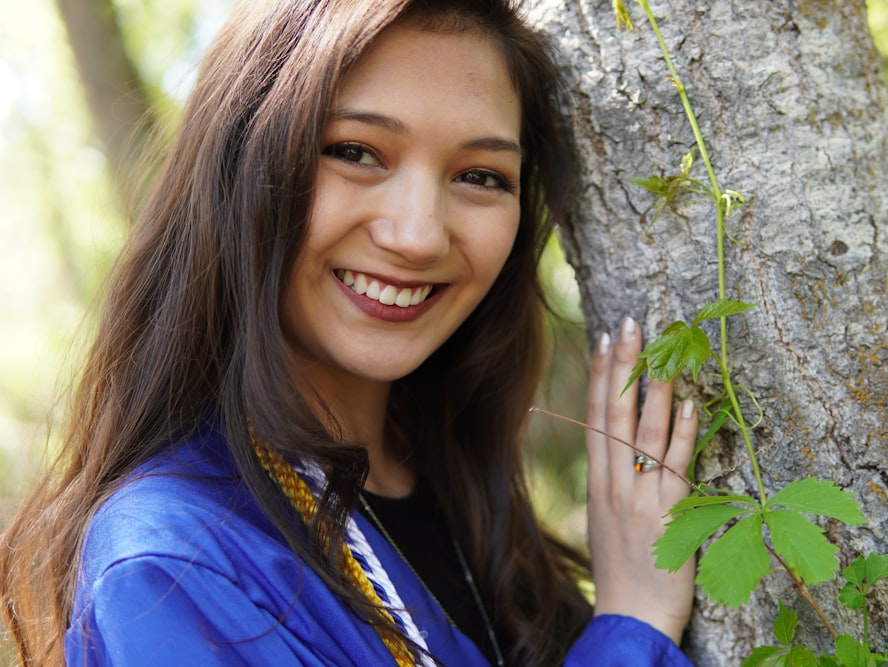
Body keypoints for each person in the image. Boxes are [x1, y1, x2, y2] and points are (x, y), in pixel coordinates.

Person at [0, 0, 699, 665]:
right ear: (242, 166)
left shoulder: (457, 484)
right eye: (357, 151)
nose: (418, 234)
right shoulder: (171, 566)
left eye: (481, 175)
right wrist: (633, 627)